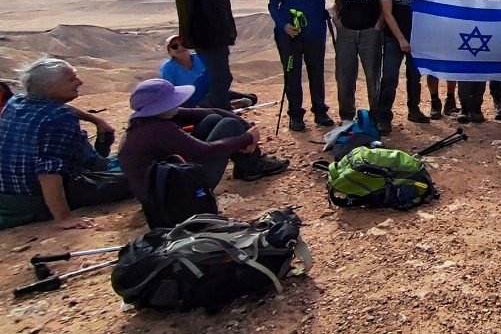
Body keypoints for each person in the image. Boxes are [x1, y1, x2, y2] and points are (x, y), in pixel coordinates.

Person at [0, 57, 128, 230]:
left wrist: (95, 120)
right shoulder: (58, 117)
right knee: (138, 175)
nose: (80, 82)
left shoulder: (18, 102)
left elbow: (61, 108)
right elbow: (48, 172)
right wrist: (63, 218)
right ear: (51, 87)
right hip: (33, 199)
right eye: (71, 79)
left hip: (7, 196)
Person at [118, 79, 289, 206]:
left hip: (162, 186)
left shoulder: (149, 120)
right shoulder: (158, 129)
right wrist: (246, 138)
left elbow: (212, 111)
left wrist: (247, 127)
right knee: (228, 126)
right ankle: (253, 166)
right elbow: (205, 151)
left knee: (213, 119)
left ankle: (250, 167)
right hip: (172, 197)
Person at [268, 0, 342, 131]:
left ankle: (320, 111)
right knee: (292, 73)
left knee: (316, 72)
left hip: (315, 32)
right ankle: (295, 115)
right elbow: (272, 5)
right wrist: (283, 25)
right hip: (289, 35)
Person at [174, 0, 238, 110]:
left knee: (213, 74)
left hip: (199, 35)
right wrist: (226, 33)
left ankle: (186, 105)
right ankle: (218, 112)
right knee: (220, 76)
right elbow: (215, 9)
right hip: (210, 36)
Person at [378, 0, 430, 133]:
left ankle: (414, 110)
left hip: (417, 40)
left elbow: (425, 14)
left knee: (414, 77)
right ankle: (384, 116)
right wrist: (401, 39)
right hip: (394, 39)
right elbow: (387, 14)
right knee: (390, 77)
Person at [332, 0, 384, 123]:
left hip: (370, 34)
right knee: (344, 74)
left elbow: (383, 7)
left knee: (372, 75)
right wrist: (336, 19)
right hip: (346, 33)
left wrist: (378, 27)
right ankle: (346, 115)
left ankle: (375, 115)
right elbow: (338, 1)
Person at [416, 0, 464, 118]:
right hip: (431, 28)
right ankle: (434, 101)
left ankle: (450, 100)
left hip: (453, 27)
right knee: (433, 65)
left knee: (452, 63)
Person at [451, 0, 497, 123]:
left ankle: (477, 106)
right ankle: (464, 107)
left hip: (483, 36)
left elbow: (495, 13)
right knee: (464, 72)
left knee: (480, 72)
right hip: (462, 37)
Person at [159, 35, 256, 110]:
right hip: (188, 99)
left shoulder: (199, 58)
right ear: (169, 52)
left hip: (209, 93)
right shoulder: (168, 68)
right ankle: (227, 105)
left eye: (183, 44)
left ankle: (230, 103)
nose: (180, 48)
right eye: (175, 46)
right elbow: (170, 92)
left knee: (250, 97)